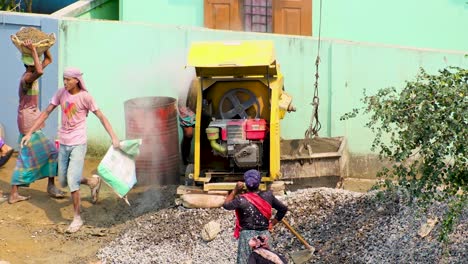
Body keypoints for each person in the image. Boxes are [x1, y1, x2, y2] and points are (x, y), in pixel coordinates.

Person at [21, 67, 120, 233]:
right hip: (64, 142)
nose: (65, 82)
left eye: (68, 79)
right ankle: (92, 182)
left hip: (78, 142)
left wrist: (114, 137)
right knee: (65, 179)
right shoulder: (61, 93)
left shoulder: (85, 97)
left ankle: (77, 218)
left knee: (72, 180)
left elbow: (101, 116)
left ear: (77, 80)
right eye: (64, 79)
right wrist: (30, 133)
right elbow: (46, 112)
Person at [9, 40, 65, 204]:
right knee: (28, 156)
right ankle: (14, 193)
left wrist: (45, 45)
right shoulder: (27, 78)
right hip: (27, 120)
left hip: (31, 117)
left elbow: (48, 61)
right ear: (31, 64)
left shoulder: (31, 72)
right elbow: (40, 70)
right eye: (35, 60)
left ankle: (50, 185)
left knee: (49, 153)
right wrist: (34, 49)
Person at [223, 169, 288, 264]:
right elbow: (283, 209)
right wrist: (272, 223)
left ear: (246, 183)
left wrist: (235, 190)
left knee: (245, 261)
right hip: (264, 236)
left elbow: (226, 204)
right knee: (266, 260)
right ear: (259, 183)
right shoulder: (268, 196)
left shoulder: (241, 200)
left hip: (247, 238)